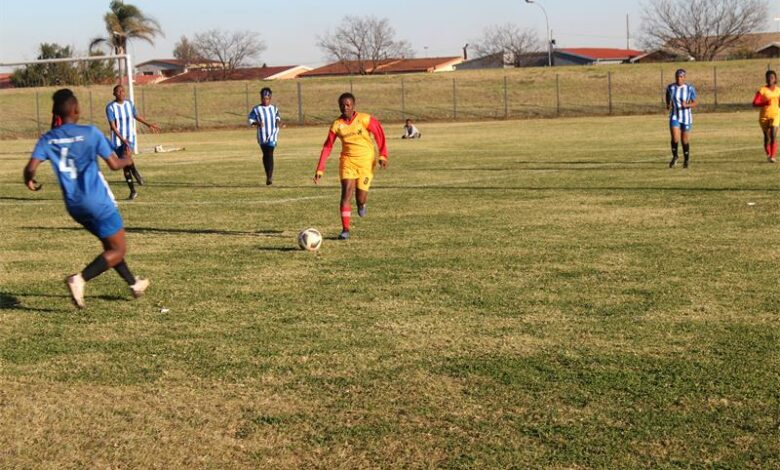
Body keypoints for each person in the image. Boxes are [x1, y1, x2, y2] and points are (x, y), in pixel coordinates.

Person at [24, 88, 149, 308]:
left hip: (74, 206)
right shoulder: (91, 133)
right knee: (118, 249)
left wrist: (29, 180)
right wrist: (127, 161)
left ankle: (134, 284)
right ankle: (80, 279)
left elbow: (31, 168)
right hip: (97, 201)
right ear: (76, 109)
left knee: (109, 243)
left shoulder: (48, 139)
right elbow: (113, 164)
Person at [314, 92, 388, 240]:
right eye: (342, 105)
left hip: (366, 162)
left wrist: (383, 154)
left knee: (360, 197)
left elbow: (379, 133)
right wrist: (320, 168)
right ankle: (345, 229)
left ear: (354, 105)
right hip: (347, 162)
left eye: (348, 105)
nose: (345, 107)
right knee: (346, 194)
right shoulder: (337, 125)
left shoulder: (365, 119)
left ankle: (362, 205)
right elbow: (328, 146)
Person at [106, 84, 160, 200]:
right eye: (118, 92)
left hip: (129, 137)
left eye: (123, 91)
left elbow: (135, 116)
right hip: (117, 139)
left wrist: (149, 124)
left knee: (126, 159)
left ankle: (133, 191)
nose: (121, 93)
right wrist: (121, 139)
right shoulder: (110, 107)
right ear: (114, 94)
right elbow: (113, 127)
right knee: (126, 163)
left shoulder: (129, 104)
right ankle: (134, 176)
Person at [248, 87, 281, 185]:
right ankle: (268, 175)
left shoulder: (274, 108)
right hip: (262, 136)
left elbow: (278, 117)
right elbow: (250, 120)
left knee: (269, 153)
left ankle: (269, 177)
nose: (265, 100)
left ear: (270, 98)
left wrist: (278, 122)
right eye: (263, 98)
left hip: (272, 134)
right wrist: (257, 123)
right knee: (266, 154)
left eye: (267, 98)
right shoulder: (256, 109)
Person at [666, 69, 698, 168]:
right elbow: (667, 97)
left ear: (684, 78)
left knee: (684, 140)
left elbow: (695, 102)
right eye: (677, 76)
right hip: (675, 115)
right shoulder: (670, 87)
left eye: (680, 77)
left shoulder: (690, 88)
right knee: (675, 138)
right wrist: (668, 105)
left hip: (686, 117)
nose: (678, 79)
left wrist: (687, 105)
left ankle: (686, 160)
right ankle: (675, 156)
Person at [752, 70, 780, 163]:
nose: (770, 79)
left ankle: (773, 156)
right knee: (767, 137)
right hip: (764, 117)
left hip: (775, 115)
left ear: (775, 79)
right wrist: (765, 103)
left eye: (772, 77)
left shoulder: (778, 90)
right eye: (768, 77)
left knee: (773, 135)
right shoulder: (762, 90)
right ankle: (768, 154)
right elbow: (755, 103)